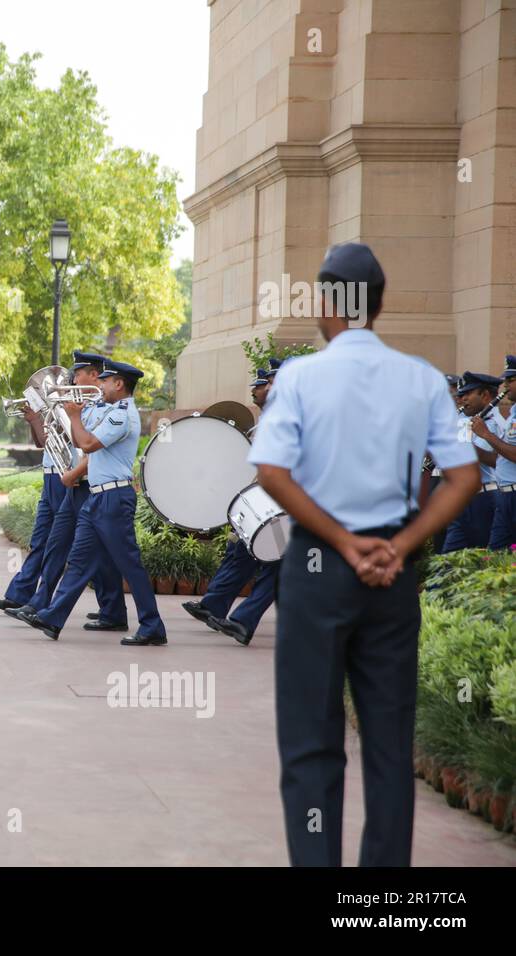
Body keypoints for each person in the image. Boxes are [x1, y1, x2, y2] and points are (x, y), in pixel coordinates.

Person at [250, 242, 478, 867]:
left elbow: (270, 470)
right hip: (392, 572)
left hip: (321, 566)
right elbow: (464, 477)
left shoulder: (298, 377)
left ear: (327, 302)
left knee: (310, 742)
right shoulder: (425, 379)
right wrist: (397, 545)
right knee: (387, 744)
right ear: (377, 305)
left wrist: (344, 542)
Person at [12, 361, 166, 645]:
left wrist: (75, 417)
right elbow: (77, 437)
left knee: (130, 566)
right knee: (80, 563)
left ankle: (152, 625)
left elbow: (87, 444)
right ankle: (52, 617)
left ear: (119, 384)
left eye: (105, 381)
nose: (101, 386)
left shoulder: (123, 415)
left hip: (114, 498)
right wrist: (70, 413)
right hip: (97, 496)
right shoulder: (109, 410)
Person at [0, 352, 123, 628]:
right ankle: (22, 596)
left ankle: (108, 608)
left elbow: (84, 445)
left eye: (78, 373)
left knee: (79, 549)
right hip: (54, 477)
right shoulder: (66, 405)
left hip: (74, 479)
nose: (73, 379)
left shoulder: (93, 405)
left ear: (93, 375)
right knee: (47, 542)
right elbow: (43, 443)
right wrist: (35, 419)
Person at [182, 365, 281, 645]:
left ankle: (242, 620)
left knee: (278, 564)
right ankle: (220, 608)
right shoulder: (273, 420)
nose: (266, 388)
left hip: (287, 502)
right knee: (246, 553)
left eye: (271, 383)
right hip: (266, 500)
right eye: (268, 383)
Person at [438, 370, 505, 551]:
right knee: (448, 560)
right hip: (461, 497)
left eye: (468, 394)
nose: (463, 399)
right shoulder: (467, 421)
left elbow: (495, 461)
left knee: (482, 556)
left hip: (484, 498)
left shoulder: (496, 423)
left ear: (484, 395)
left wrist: (460, 447)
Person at [470, 354, 516, 551]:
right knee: (494, 556)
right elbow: (498, 459)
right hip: (504, 495)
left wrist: (486, 435)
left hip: (513, 494)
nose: (505, 386)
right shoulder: (513, 412)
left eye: (511, 380)